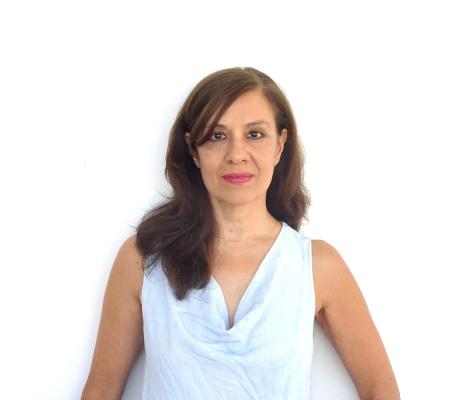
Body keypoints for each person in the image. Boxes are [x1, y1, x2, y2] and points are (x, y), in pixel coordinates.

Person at [81, 67, 400, 399]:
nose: (236, 154)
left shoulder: (316, 266)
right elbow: (101, 391)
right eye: (217, 136)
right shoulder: (143, 259)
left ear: (280, 144)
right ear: (193, 149)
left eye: (254, 134)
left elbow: (381, 389)